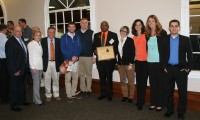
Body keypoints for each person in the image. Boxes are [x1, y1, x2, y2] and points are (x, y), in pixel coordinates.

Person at [162, 19, 193, 120]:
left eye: (176, 26)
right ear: (169, 28)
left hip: (181, 70)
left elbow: (191, 57)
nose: (174, 28)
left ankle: (181, 113)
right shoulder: (164, 39)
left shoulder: (185, 39)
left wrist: (187, 69)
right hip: (168, 70)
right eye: (172, 26)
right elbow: (161, 55)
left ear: (179, 28)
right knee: (168, 92)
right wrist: (163, 67)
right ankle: (170, 110)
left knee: (182, 93)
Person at [145, 15, 167, 111]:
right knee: (153, 83)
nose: (151, 23)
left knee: (160, 83)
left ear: (156, 22)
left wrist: (165, 64)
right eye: (149, 21)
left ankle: (160, 103)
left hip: (159, 62)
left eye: (152, 21)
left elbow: (166, 49)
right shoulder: (147, 34)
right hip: (150, 62)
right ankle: (153, 103)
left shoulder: (162, 33)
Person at [92, 21, 118, 101]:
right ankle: (103, 94)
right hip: (100, 61)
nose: (103, 27)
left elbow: (116, 48)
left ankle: (110, 95)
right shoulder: (96, 35)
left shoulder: (113, 35)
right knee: (102, 78)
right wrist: (95, 51)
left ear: (108, 26)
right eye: (102, 25)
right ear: (100, 27)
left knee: (109, 78)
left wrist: (111, 56)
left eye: (105, 25)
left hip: (109, 61)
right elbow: (93, 47)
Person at [5, 25, 29, 112]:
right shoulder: (10, 42)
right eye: (17, 31)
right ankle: (14, 105)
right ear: (13, 32)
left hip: (23, 68)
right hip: (16, 70)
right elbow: (10, 58)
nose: (19, 33)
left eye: (20, 31)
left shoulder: (20, 40)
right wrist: (15, 70)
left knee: (22, 86)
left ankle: (22, 101)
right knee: (14, 88)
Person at [60, 22, 82, 103]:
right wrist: (71, 57)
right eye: (70, 27)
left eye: (73, 27)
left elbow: (80, 48)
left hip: (76, 61)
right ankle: (68, 95)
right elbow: (63, 49)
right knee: (68, 79)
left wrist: (76, 56)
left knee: (75, 78)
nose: (72, 28)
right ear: (68, 28)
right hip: (67, 61)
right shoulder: (63, 37)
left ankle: (73, 93)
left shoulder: (78, 37)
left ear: (75, 28)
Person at [41, 26, 63, 102]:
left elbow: (61, 53)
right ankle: (48, 95)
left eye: (53, 32)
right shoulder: (42, 41)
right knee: (47, 80)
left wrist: (61, 64)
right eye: (50, 32)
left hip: (55, 63)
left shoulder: (59, 41)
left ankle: (56, 94)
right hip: (46, 63)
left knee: (56, 80)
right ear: (47, 32)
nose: (51, 33)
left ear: (55, 33)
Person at [132, 19, 148, 110]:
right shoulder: (133, 37)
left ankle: (141, 102)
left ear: (142, 26)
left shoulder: (146, 35)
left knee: (143, 82)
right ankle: (140, 100)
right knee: (138, 82)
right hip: (137, 62)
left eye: (139, 25)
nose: (138, 26)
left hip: (145, 62)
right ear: (134, 26)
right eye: (136, 25)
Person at [116, 26, 135, 103]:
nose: (123, 32)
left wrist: (131, 64)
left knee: (131, 81)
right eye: (122, 30)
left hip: (129, 64)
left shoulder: (130, 40)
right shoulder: (117, 40)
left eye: (125, 31)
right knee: (123, 81)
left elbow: (133, 52)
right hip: (120, 64)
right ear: (120, 31)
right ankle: (125, 95)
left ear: (127, 32)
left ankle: (131, 97)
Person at [76, 18, 94, 96]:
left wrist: (94, 57)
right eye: (82, 23)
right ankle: (82, 89)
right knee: (81, 74)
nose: (84, 24)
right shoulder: (76, 33)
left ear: (88, 24)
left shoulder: (92, 33)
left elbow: (94, 45)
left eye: (85, 23)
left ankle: (88, 89)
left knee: (89, 74)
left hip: (89, 57)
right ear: (80, 24)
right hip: (79, 57)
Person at [27, 30, 43, 105]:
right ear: (33, 36)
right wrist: (32, 67)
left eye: (39, 35)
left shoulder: (39, 43)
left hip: (40, 66)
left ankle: (34, 99)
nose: (38, 36)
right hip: (35, 67)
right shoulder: (31, 44)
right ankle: (38, 101)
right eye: (37, 35)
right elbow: (30, 57)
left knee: (38, 84)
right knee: (36, 85)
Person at [0, 24, 9, 104]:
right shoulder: (4, 39)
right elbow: (7, 51)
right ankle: (4, 98)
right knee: (5, 79)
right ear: (4, 29)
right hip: (3, 60)